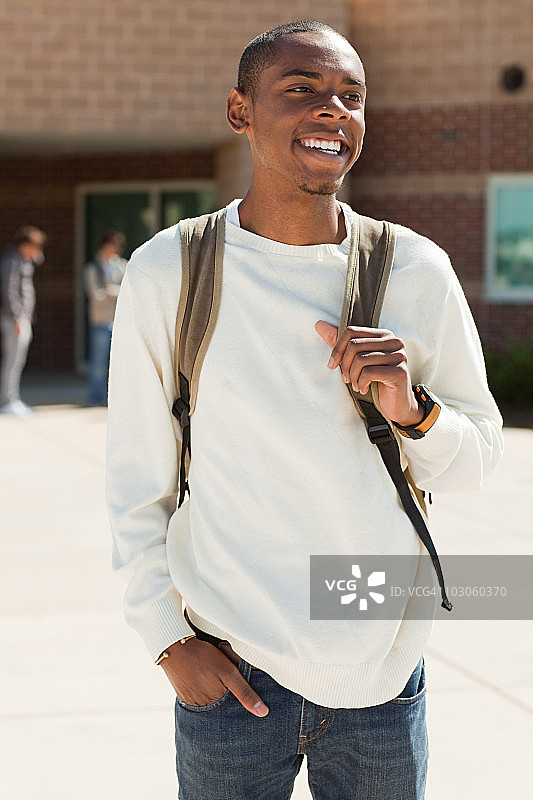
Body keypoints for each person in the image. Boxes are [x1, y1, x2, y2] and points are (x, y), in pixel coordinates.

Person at [106, 20, 503, 799]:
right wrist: (166, 642)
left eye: (350, 97)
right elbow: (136, 483)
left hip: (379, 672)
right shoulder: (170, 272)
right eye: (301, 90)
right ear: (239, 111)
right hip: (228, 669)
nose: (332, 111)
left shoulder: (415, 270)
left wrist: (410, 408)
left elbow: (474, 462)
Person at [0, 225, 46, 417]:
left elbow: (39, 259)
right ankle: (7, 400)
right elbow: (9, 290)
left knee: (18, 360)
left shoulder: (24, 260)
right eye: (34, 246)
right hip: (15, 319)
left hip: (22, 318)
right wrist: (17, 316)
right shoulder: (12, 261)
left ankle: (13, 398)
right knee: (13, 360)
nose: (37, 252)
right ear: (25, 244)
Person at [83, 230, 126, 406]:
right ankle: (95, 397)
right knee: (98, 364)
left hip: (119, 321)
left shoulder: (123, 266)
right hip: (99, 320)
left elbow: (126, 291)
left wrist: (110, 291)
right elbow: (95, 295)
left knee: (117, 363)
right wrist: (113, 292)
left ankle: (114, 399)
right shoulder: (92, 268)